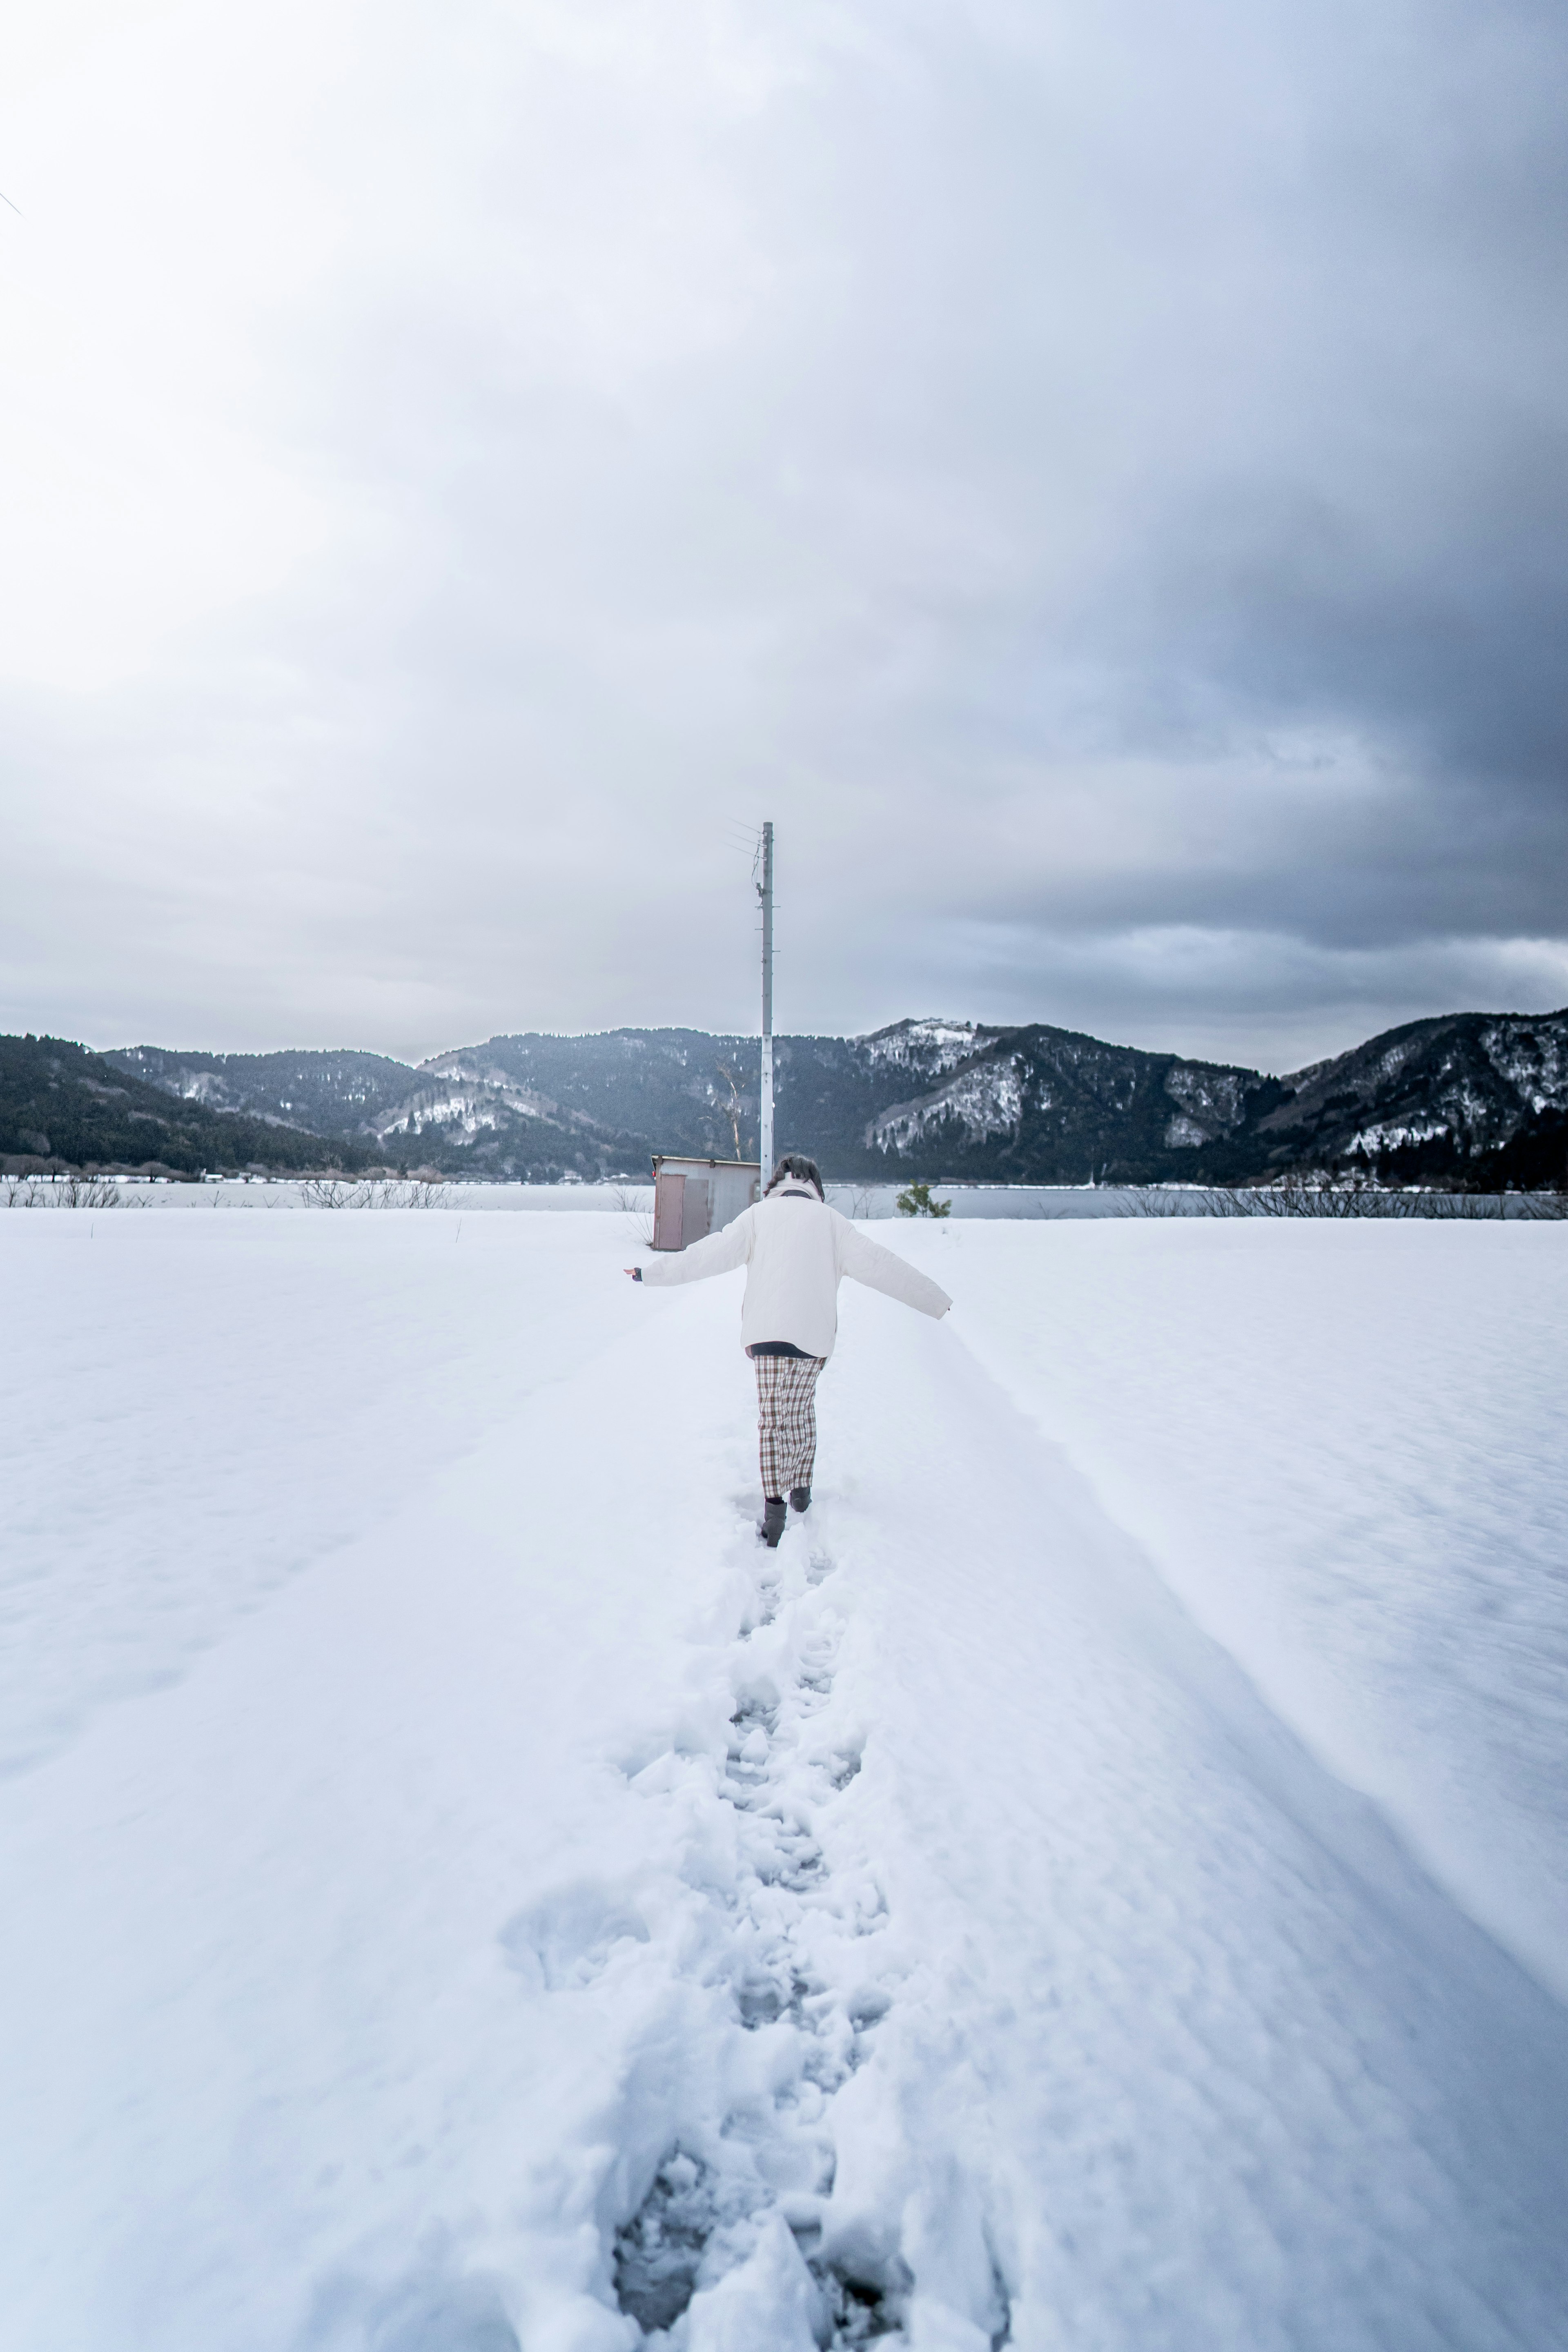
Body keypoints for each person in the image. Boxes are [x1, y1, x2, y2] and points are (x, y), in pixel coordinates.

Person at [625, 1153, 953, 1545]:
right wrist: (935, 1301)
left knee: (771, 1419)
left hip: (765, 1337)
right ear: (816, 1187)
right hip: (812, 1342)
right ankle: (801, 1492)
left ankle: (774, 1510)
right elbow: (883, 1265)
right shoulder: (833, 1224)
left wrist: (650, 1274)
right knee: (799, 1412)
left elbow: (705, 1256)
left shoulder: (757, 1217)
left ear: (777, 1184)